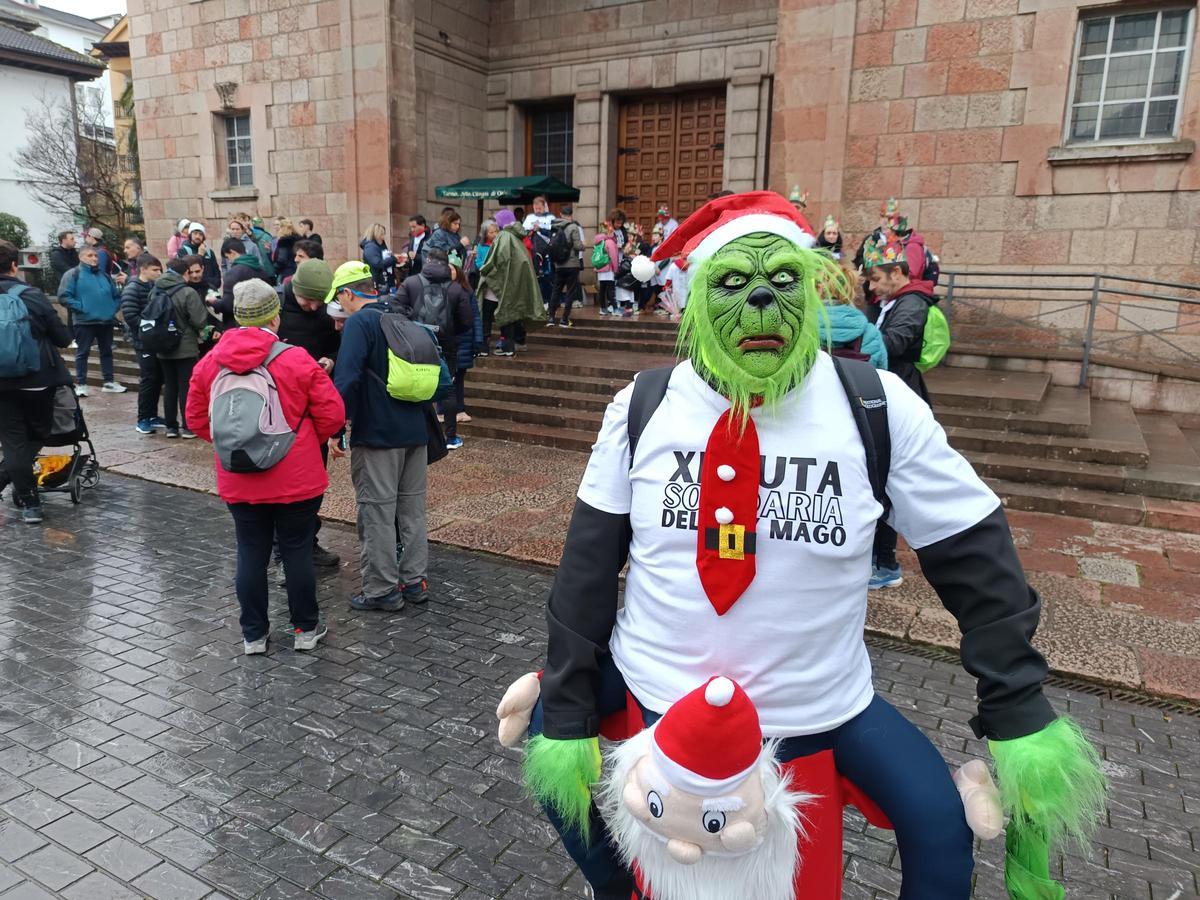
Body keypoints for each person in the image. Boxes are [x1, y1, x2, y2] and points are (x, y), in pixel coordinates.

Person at [520, 191, 1105, 900]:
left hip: (820, 709)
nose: (760, 299)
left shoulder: (879, 405)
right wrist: (575, 700)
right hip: (657, 693)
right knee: (550, 735)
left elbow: (977, 558)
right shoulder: (641, 404)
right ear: (696, 300)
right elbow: (586, 565)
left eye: (781, 280)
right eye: (732, 283)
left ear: (811, 290)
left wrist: (1017, 709)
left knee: (941, 833)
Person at [186, 278, 346, 655]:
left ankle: (254, 635)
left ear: (237, 316)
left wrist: (236, 444)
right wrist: (304, 441)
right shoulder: (295, 358)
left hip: (239, 477)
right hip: (296, 476)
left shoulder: (210, 362)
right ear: (274, 317)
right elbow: (332, 414)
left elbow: (195, 419)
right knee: (296, 550)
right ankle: (306, 629)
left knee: (250, 552)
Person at [328, 261, 437, 610]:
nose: (340, 307)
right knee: (412, 511)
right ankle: (415, 582)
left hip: (377, 435)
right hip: (416, 431)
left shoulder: (360, 323)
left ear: (348, 293)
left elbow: (346, 380)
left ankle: (381, 589)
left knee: (376, 511)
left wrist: (334, 428)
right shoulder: (400, 316)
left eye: (339, 298)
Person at [274, 258, 342, 575]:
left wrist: (331, 360)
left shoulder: (325, 313)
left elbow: (340, 345)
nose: (314, 306)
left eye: (319, 300)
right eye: (307, 300)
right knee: (281, 487)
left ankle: (308, 543)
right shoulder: (276, 309)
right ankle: (280, 550)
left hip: (313, 414)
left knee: (312, 486)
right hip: (279, 413)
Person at [0, 239, 73, 524]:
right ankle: (25, 494)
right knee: (39, 433)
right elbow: (63, 338)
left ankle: (26, 497)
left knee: (13, 440)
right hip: (37, 380)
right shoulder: (31, 295)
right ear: (15, 265)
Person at [397, 248, 472, 449]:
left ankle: (416, 432)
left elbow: (397, 309)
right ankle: (451, 438)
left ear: (427, 261)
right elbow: (467, 321)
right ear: (446, 264)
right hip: (446, 345)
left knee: (415, 385)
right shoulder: (457, 289)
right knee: (448, 389)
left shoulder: (411, 283)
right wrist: (450, 332)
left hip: (414, 343)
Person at [151, 258, 208, 438]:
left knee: (170, 386)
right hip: (185, 347)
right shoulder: (187, 292)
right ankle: (188, 426)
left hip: (162, 345)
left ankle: (171, 427)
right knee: (186, 387)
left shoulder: (155, 290)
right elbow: (199, 320)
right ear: (184, 273)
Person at [58, 245, 125, 397]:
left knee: (106, 352)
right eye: (90, 255)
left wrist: (111, 309)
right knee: (83, 353)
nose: (94, 258)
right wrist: (82, 307)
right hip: (84, 322)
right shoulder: (72, 274)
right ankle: (81, 384)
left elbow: (116, 295)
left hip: (106, 321)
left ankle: (109, 382)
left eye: (95, 255)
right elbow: (64, 296)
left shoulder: (104, 275)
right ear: (81, 257)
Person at [477, 210, 541, 357]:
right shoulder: (517, 237)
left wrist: (485, 271)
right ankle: (508, 346)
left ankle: (485, 347)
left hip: (497, 285)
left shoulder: (504, 237)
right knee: (508, 315)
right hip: (511, 285)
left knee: (487, 316)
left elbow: (497, 260)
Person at [120, 252, 167, 434]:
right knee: (149, 379)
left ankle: (152, 415)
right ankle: (143, 419)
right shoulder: (132, 288)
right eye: (155, 270)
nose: (158, 273)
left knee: (157, 379)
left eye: (160, 269)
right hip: (143, 342)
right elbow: (131, 316)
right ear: (143, 269)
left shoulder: (153, 286)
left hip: (153, 341)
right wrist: (151, 327)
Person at [817, 265, 887, 370]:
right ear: (852, 292)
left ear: (819, 290)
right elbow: (882, 375)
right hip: (858, 385)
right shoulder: (871, 333)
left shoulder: (801, 330)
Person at [219, 237, 271, 329]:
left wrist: (214, 302)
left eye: (227, 257)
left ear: (232, 252)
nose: (229, 261)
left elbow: (228, 305)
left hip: (238, 325)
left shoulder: (233, 273)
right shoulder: (260, 269)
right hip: (261, 323)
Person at [547, 204, 585, 327]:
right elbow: (578, 246)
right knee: (570, 291)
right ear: (571, 214)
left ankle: (551, 318)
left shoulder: (554, 226)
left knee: (556, 291)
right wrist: (584, 245)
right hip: (572, 264)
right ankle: (564, 319)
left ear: (561, 214)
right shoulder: (573, 226)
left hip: (558, 265)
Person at [523, 196, 556, 311]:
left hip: (547, 253)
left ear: (544, 207)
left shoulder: (551, 217)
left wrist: (540, 229)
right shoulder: (529, 217)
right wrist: (531, 230)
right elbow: (524, 233)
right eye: (536, 208)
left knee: (547, 278)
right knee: (534, 278)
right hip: (532, 252)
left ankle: (548, 301)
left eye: (540, 208)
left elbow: (553, 233)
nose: (537, 210)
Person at [176, 223, 222, 291]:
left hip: (210, 289)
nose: (198, 236)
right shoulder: (183, 251)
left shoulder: (209, 252)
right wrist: (200, 255)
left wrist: (214, 284)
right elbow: (185, 273)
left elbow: (216, 272)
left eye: (200, 234)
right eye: (195, 233)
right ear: (190, 235)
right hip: (193, 290)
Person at [593, 220, 619, 316]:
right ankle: (615, 309)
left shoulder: (598, 241)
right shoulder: (609, 242)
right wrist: (616, 269)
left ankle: (602, 309)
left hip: (601, 269)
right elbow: (613, 257)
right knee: (611, 289)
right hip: (609, 269)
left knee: (602, 290)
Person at [360, 224, 395, 292]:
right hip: (378, 282)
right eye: (382, 234)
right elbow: (377, 263)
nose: (383, 237)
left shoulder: (378, 245)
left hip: (383, 281)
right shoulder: (370, 247)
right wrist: (393, 259)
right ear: (377, 234)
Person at [49, 230, 79, 296]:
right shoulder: (56, 254)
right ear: (64, 240)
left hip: (76, 286)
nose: (75, 241)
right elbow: (67, 270)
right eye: (72, 239)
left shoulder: (73, 252)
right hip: (65, 289)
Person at [272, 217, 300, 282]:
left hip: (286, 272)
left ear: (282, 228)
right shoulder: (299, 239)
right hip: (298, 270)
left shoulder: (284, 242)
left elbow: (282, 259)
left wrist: (275, 268)